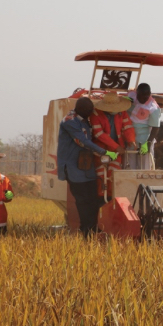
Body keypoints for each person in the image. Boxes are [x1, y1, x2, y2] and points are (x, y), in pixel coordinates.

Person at [57, 97, 115, 237]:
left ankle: (92, 228)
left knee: (93, 199)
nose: (91, 113)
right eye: (89, 111)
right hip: (73, 168)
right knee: (83, 200)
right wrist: (105, 152)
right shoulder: (69, 121)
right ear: (81, 109)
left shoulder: (84, 120)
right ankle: (86, 231)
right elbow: (83, 142)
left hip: (86, 166)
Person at [89, 92, 137, 197]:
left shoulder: (122, 112)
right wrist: (117, 147)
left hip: (116, 151)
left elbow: (128, 126)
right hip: (101, 150)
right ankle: (101, 197)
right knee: (101, 173)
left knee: (115, 172)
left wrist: (131, 139)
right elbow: (99, 134)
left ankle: (113, 197)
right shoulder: (95, 114)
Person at [127, 83, 162, 169]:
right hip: (130, 139)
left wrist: (148, 143)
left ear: (149, 94)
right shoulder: (131, 96)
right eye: (141, 96)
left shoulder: (153, 108)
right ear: (137, 93)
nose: (143, 99)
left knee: (145, 169)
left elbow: (155, 127)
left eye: (146, 96)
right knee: (129, 168)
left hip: (144, 140)